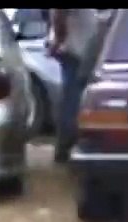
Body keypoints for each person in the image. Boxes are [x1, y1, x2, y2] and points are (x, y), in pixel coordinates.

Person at [49, 8, 100, 164]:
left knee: (73, 99)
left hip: (79, 49)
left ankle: (67, 146)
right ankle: (66, 147)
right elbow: (60, 14)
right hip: (77, 51)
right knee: (73, 100)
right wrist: (59, 40)